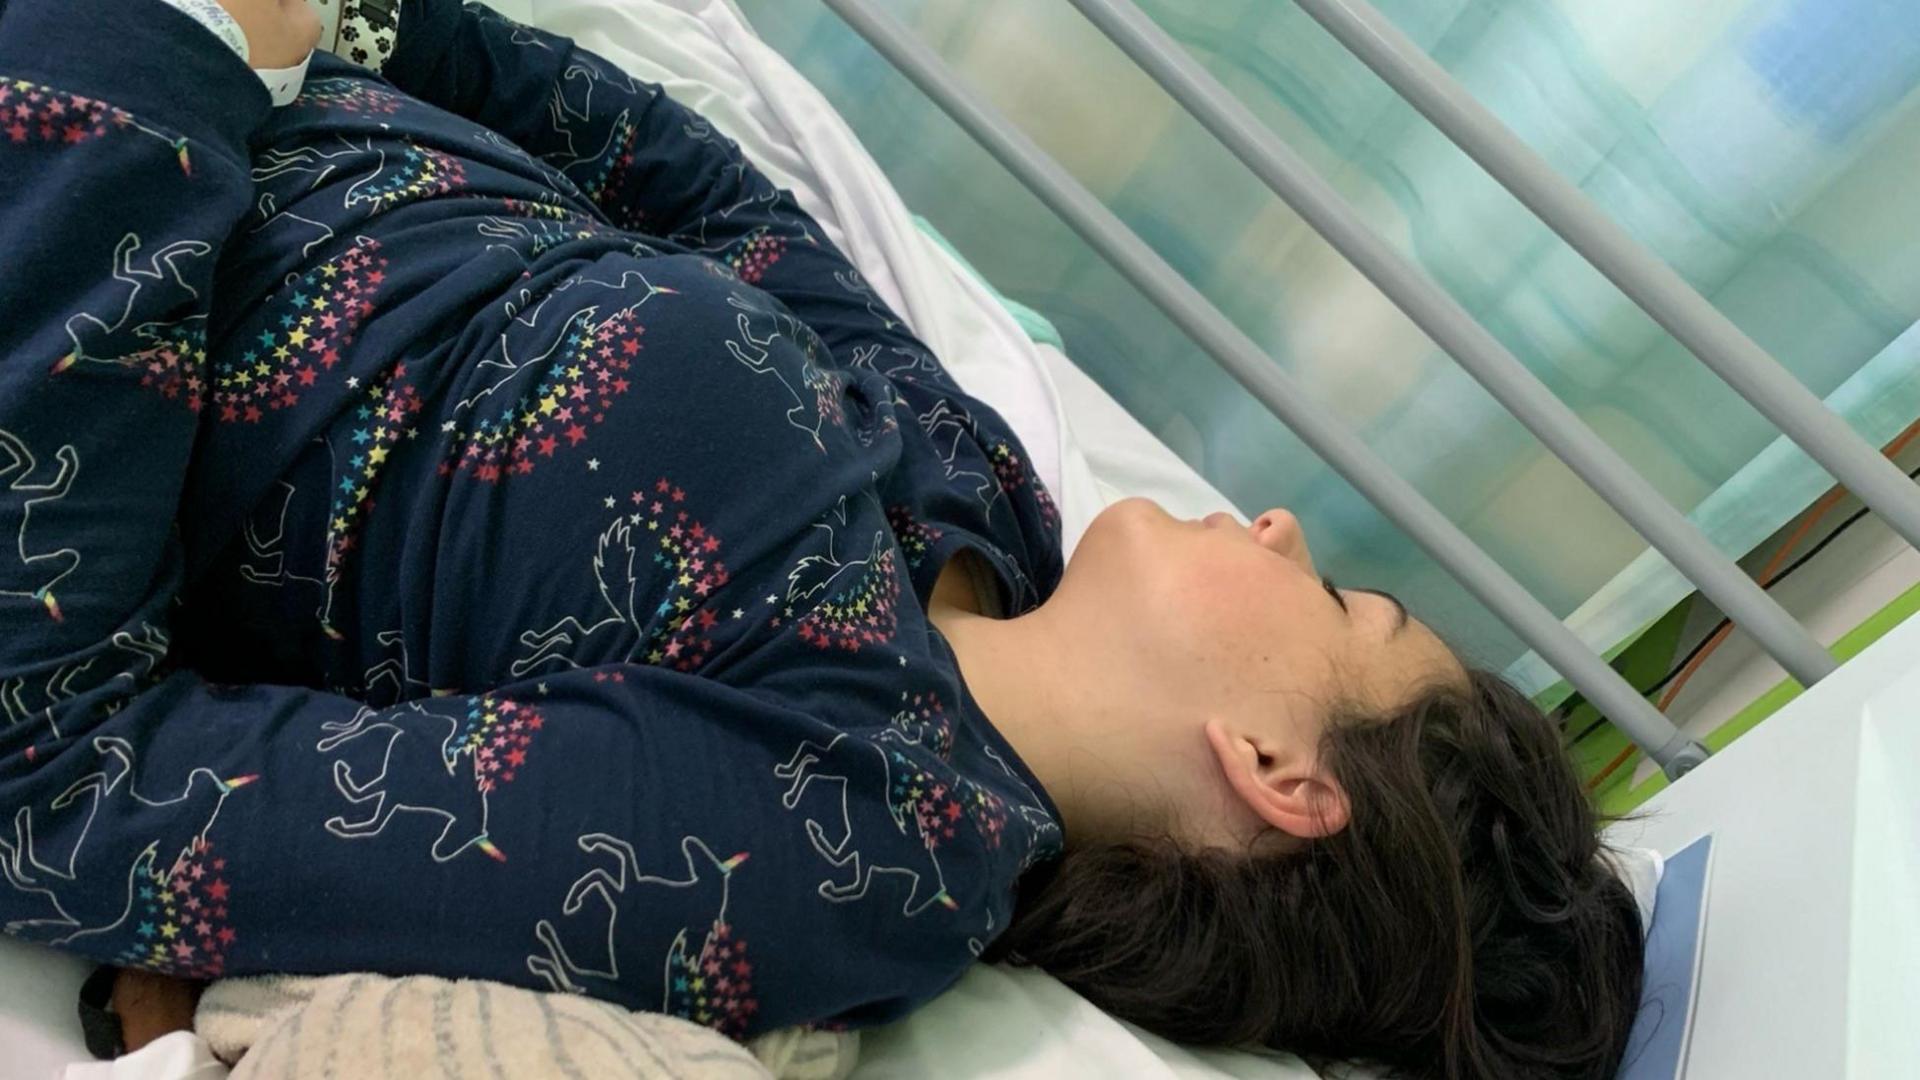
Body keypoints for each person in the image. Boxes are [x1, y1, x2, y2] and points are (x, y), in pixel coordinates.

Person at [0, 0, 1643, 1075]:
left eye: (1338, 598)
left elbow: (65, 777)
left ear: (1281, 770)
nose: (1281, 528)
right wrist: (368, 20)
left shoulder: (858, 840)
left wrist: (160, 59)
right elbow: (713, 200)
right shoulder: (991, 512)